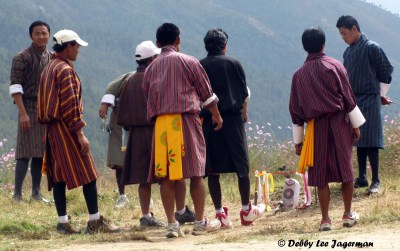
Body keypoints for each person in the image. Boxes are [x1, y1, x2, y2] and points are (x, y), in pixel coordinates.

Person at [142, 23, 223, 238]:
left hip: (162, 125)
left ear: (158, 43)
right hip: (186, 120)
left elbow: (147, 97)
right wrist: (216, 114)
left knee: (166, 177)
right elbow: (206, 94)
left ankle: (171, 225)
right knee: (196, 173)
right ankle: (199, 222)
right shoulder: (189, 61)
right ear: (178, 40)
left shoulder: (150, 68)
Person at [38, 29, 120, 235]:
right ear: (68, 47)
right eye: (76, 47)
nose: (78, 51)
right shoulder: (65, 70)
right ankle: (94, 221)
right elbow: (70, 105)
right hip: (65, 128)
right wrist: (80, 134)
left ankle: (63, 223)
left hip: (51, 130)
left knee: (59, 176)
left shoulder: (50, 67)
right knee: (88, 173)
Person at [289, 27, 365, 231]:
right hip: (340, 122)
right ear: (323, 44)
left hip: (315, 127)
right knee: (346, 169)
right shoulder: (335, 66)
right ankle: (348, 214)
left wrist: (299, 141)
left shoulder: (299, 75)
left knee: (320, 173)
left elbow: (295, 111)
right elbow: (349, 99)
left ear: (305, 47)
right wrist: (355, 125)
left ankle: (325, 219)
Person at [199, 28, 265, 228]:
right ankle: (246, 210)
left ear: (206, 46)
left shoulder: (199, 66)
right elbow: (243, 92)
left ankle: (220, 214)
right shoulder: (233, 63)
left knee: (212, 169)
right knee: (241, 165)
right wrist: (244, 112)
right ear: (224, 45)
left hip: (209, 121)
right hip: (233, 120)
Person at [336, 15, 394, 194]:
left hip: (370, 97)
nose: (343, 38)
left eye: (345, 33)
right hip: (353, 100)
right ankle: (361, 177)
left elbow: (386, 70)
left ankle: (376, 180)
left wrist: (382, 94)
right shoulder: (348, 52)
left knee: (371, 141)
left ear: (354, 29)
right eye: (341, 35)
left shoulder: (372, 48)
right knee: (358, 138)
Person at [117, 40, 166, 228]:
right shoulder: (154, 79)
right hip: (156, 132)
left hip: (136, 136)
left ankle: (145, 216)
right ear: (153, 58)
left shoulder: (129, 82)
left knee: (143, 179)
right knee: (165, 178)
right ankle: (174, 214)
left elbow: (121, 117)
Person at [9, 20, 52, 202]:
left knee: (39, 152)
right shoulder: (22, 57)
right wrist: (23, 113)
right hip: (27, 106)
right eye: (37, 33)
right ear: (31, 36)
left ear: (49, 35)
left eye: (44, 33)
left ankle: (36, 193)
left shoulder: (51, 57)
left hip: (45, 109)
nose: (41, 36)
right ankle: (17, 194)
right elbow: (16, 86)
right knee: (24, 152)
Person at [99, 71, 134, 208]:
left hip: (141, 121)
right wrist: (105, 105)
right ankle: (122, 195)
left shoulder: (155, 76)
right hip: (119, 120)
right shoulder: (129, 77)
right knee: (119, 160)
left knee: (144, 159)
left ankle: (147, 197)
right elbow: (111, 87)